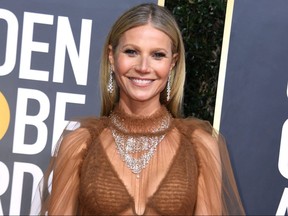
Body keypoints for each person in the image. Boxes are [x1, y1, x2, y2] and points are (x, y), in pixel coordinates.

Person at [31, 3, 245, 215]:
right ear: (112, 57)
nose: (143, 67)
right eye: (131, 52)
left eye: (158, 55)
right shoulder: (80, 144)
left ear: (172, 63)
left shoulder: (200, 147)